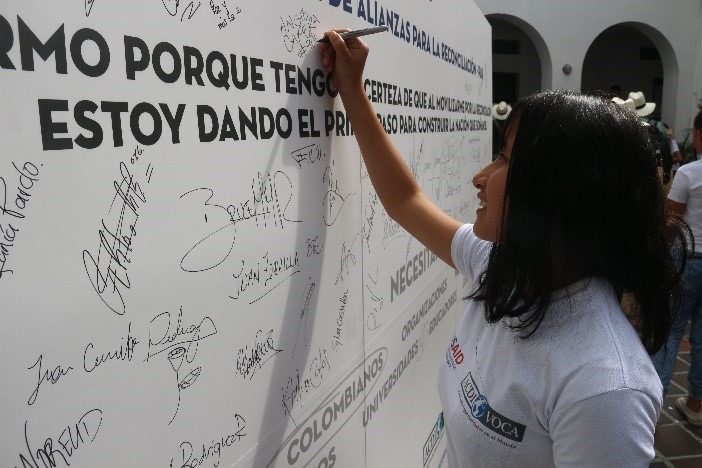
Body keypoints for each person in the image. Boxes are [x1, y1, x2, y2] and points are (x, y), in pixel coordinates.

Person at [319, 30, 688, 466]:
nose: (480, 176)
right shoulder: (503, 270)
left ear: (561, 196)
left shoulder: (604, 387)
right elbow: (405, 202)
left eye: (506, 159)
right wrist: (352, 89)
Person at [652, 110, 702, 425]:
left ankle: (653, 409)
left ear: (699, 135)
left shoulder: (689, 174)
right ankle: (696, 404)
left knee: (669, 333)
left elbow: (671, 223)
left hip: (689, 260)